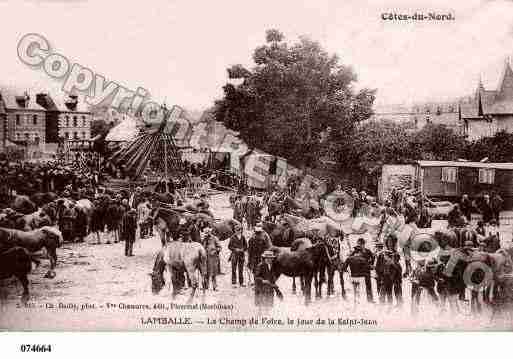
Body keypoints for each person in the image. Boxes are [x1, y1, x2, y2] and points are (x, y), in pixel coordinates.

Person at [376, 234, 402, 306]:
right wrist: (379, 274)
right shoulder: (382, 254)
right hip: (385, 275)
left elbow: (397, 266)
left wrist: (392, 262)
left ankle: (398, 306)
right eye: (388, 241)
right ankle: (384, 307)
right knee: (384, 293)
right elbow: (378, 266)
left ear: (394, 243)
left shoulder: (396, 254)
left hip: (395, 276)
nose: (390, 243)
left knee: (397, 291)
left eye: (391, 242)